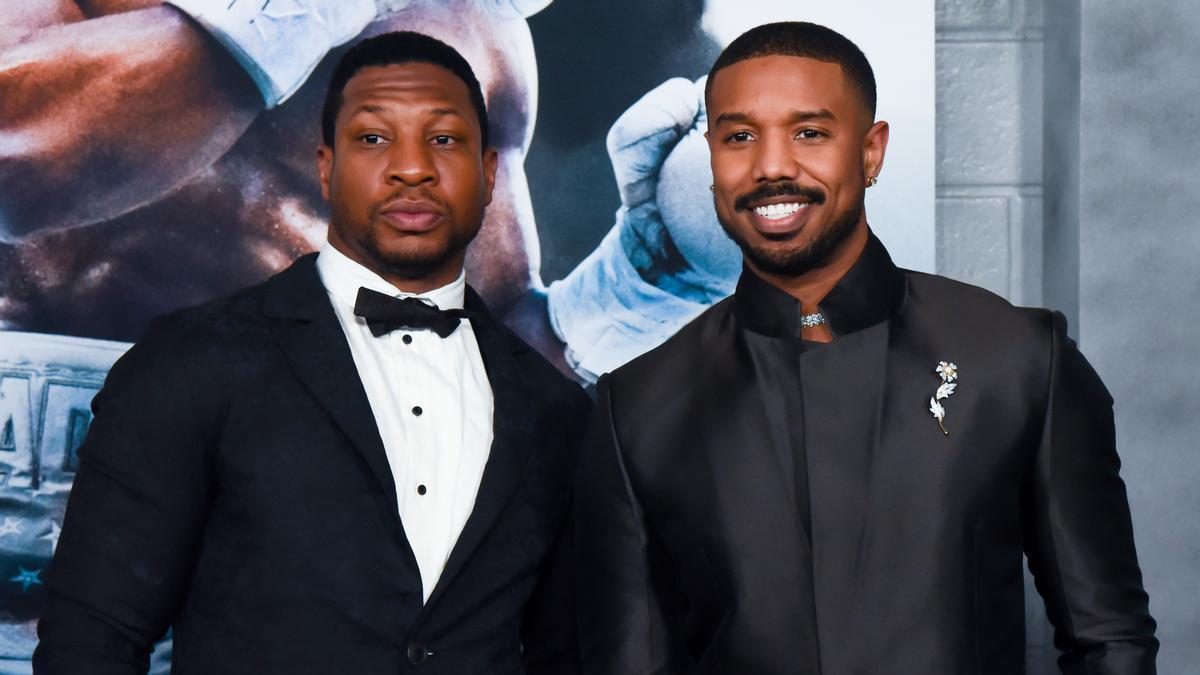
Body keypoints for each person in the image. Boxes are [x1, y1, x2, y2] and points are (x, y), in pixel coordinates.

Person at [575, 21, 1157, 675]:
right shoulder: (638, 405)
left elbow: (1110, 640)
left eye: (810, 132)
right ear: (711, 159)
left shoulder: (1020, 358)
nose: (771, 166)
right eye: (739, 136)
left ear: (871, 151)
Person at [34, 31, 590, 674]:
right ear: (325, 166)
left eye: (443, 140)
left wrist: (635, 287)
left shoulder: (551, 413)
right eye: (373, 139)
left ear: (488, 173)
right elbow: (91, 638)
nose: (411, 167)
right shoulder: (188, 364)